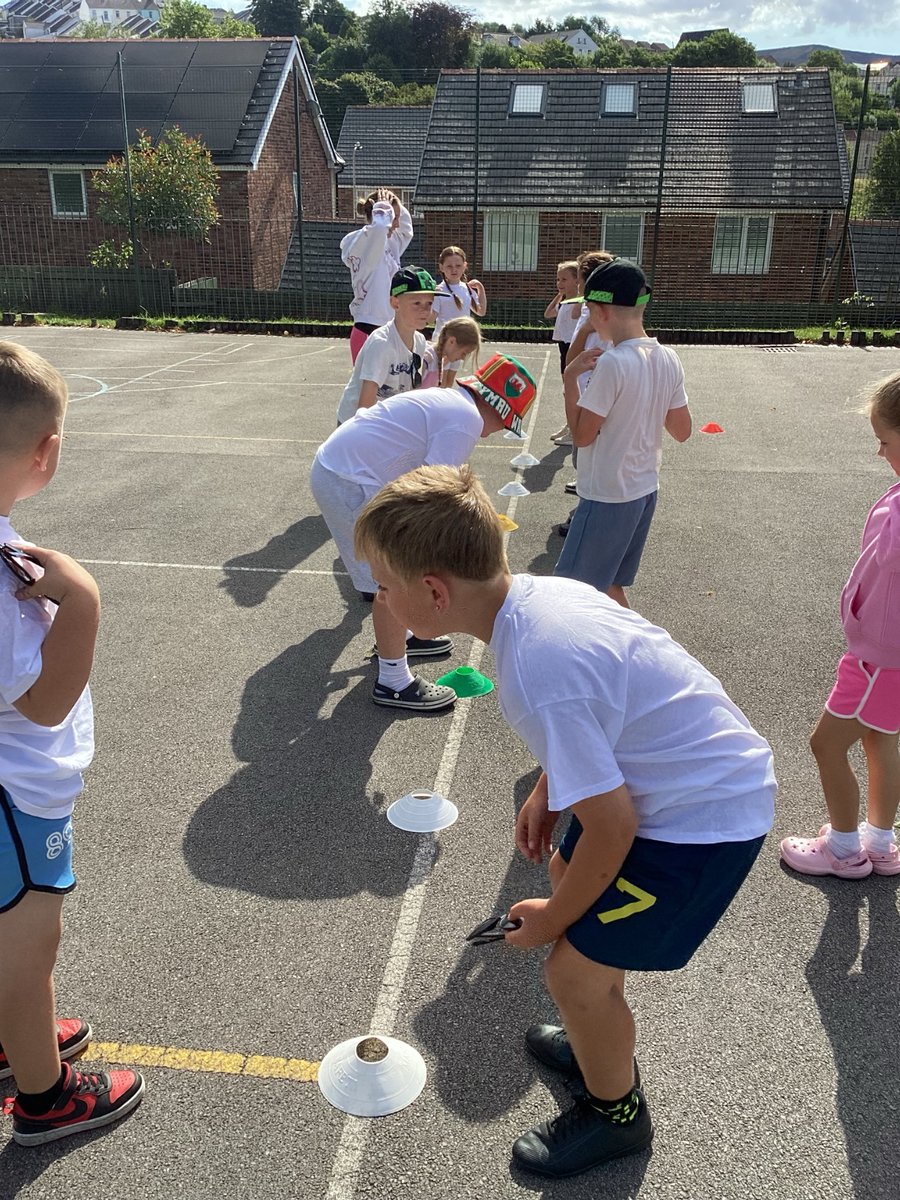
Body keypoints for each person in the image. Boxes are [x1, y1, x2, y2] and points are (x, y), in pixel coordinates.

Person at [353, 463, 776, 1180]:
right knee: (566, 879)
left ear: (432, 592)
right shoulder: (539, 598)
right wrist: (553, 785)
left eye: (384, 587)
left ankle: (617, 1115)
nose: (381, 599)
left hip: (703, 819)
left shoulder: (536, 668)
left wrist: (551, 919)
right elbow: (607, 709)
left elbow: (612, 829)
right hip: (666, 784)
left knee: (570, 969)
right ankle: (595, 1037)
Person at [0, 342, 145, 1145]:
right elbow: (48, 703)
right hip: (15, 796)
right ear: (44, 451)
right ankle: (45, 1098)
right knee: (28, 942)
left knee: (8, 939)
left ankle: (13, 1035)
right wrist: (83, 600)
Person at [311, 354, 536, 712]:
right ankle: (393, 681)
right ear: (497, 409)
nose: (498, 431)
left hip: (347, 471)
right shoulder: (466, 421)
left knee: (403, 569)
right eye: (505, 423)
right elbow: (435, 497)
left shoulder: (455, 405)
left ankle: (406, 631)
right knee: (394, 579)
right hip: (348, 480)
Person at [781, 372, 900, 878]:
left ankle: (845, 850)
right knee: (881, 739)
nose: (880, 453)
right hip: (887, 660)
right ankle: (879, 839)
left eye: (885, 441)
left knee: (826, 744)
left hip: (879, 657)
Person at [556, 258, 692, 607]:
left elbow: (582, 435)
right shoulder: (668, 357)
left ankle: (622, 656)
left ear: (600, 311)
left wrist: (570, 380)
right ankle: (637, 655)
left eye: (588, 311)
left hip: (607, 495)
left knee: (572, 595)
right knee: (609, 586)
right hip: (643, 491)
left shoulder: (613, 362)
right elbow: (682, 430)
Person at [336, 267, 435, 426]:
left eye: (429, 303)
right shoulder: (382, 343)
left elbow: (412, 390)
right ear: (395, 303)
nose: (425, 310)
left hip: (387, 420)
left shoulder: (420, 341)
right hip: (355, 424)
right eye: (416, 303)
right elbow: (365, 405)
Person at [340, 189, 414, 363]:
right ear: (379, 214)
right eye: (392, 217)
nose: (396, 224)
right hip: (368, 329)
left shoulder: (391, 242)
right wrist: (383, 207)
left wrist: (396, 206)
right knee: (366, 389)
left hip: (390, 328)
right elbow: (379, 227)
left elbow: (407, 231)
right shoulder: (363, 243)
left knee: (393, 388)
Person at [544, 261, 580, 443]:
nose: (560, 283)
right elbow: (548, 313)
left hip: (575, 347)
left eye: (565, 279)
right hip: (563, 348)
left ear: (577, 280)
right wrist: (559, 295)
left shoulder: (580, 302)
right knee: (567, 390)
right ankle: (569, 424)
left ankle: (575, 430)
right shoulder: (564, 302)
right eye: (558, 279)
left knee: (573, 390)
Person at [430, 246, 487, 342]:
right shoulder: (439, 291)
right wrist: (428, 298)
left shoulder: (467, 289)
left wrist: (480, 288)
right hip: (442, 341)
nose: (454, 270)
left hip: (463, 340)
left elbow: (481, 311)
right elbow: (430, 318)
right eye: (449, 266)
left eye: (458, 266)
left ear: (465, 266)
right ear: (441, 267)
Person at [420, 316, 481, 390]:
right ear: (452, 341)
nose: (463, 358)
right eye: (464, 353)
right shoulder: (427, 360)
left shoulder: (443, 361)